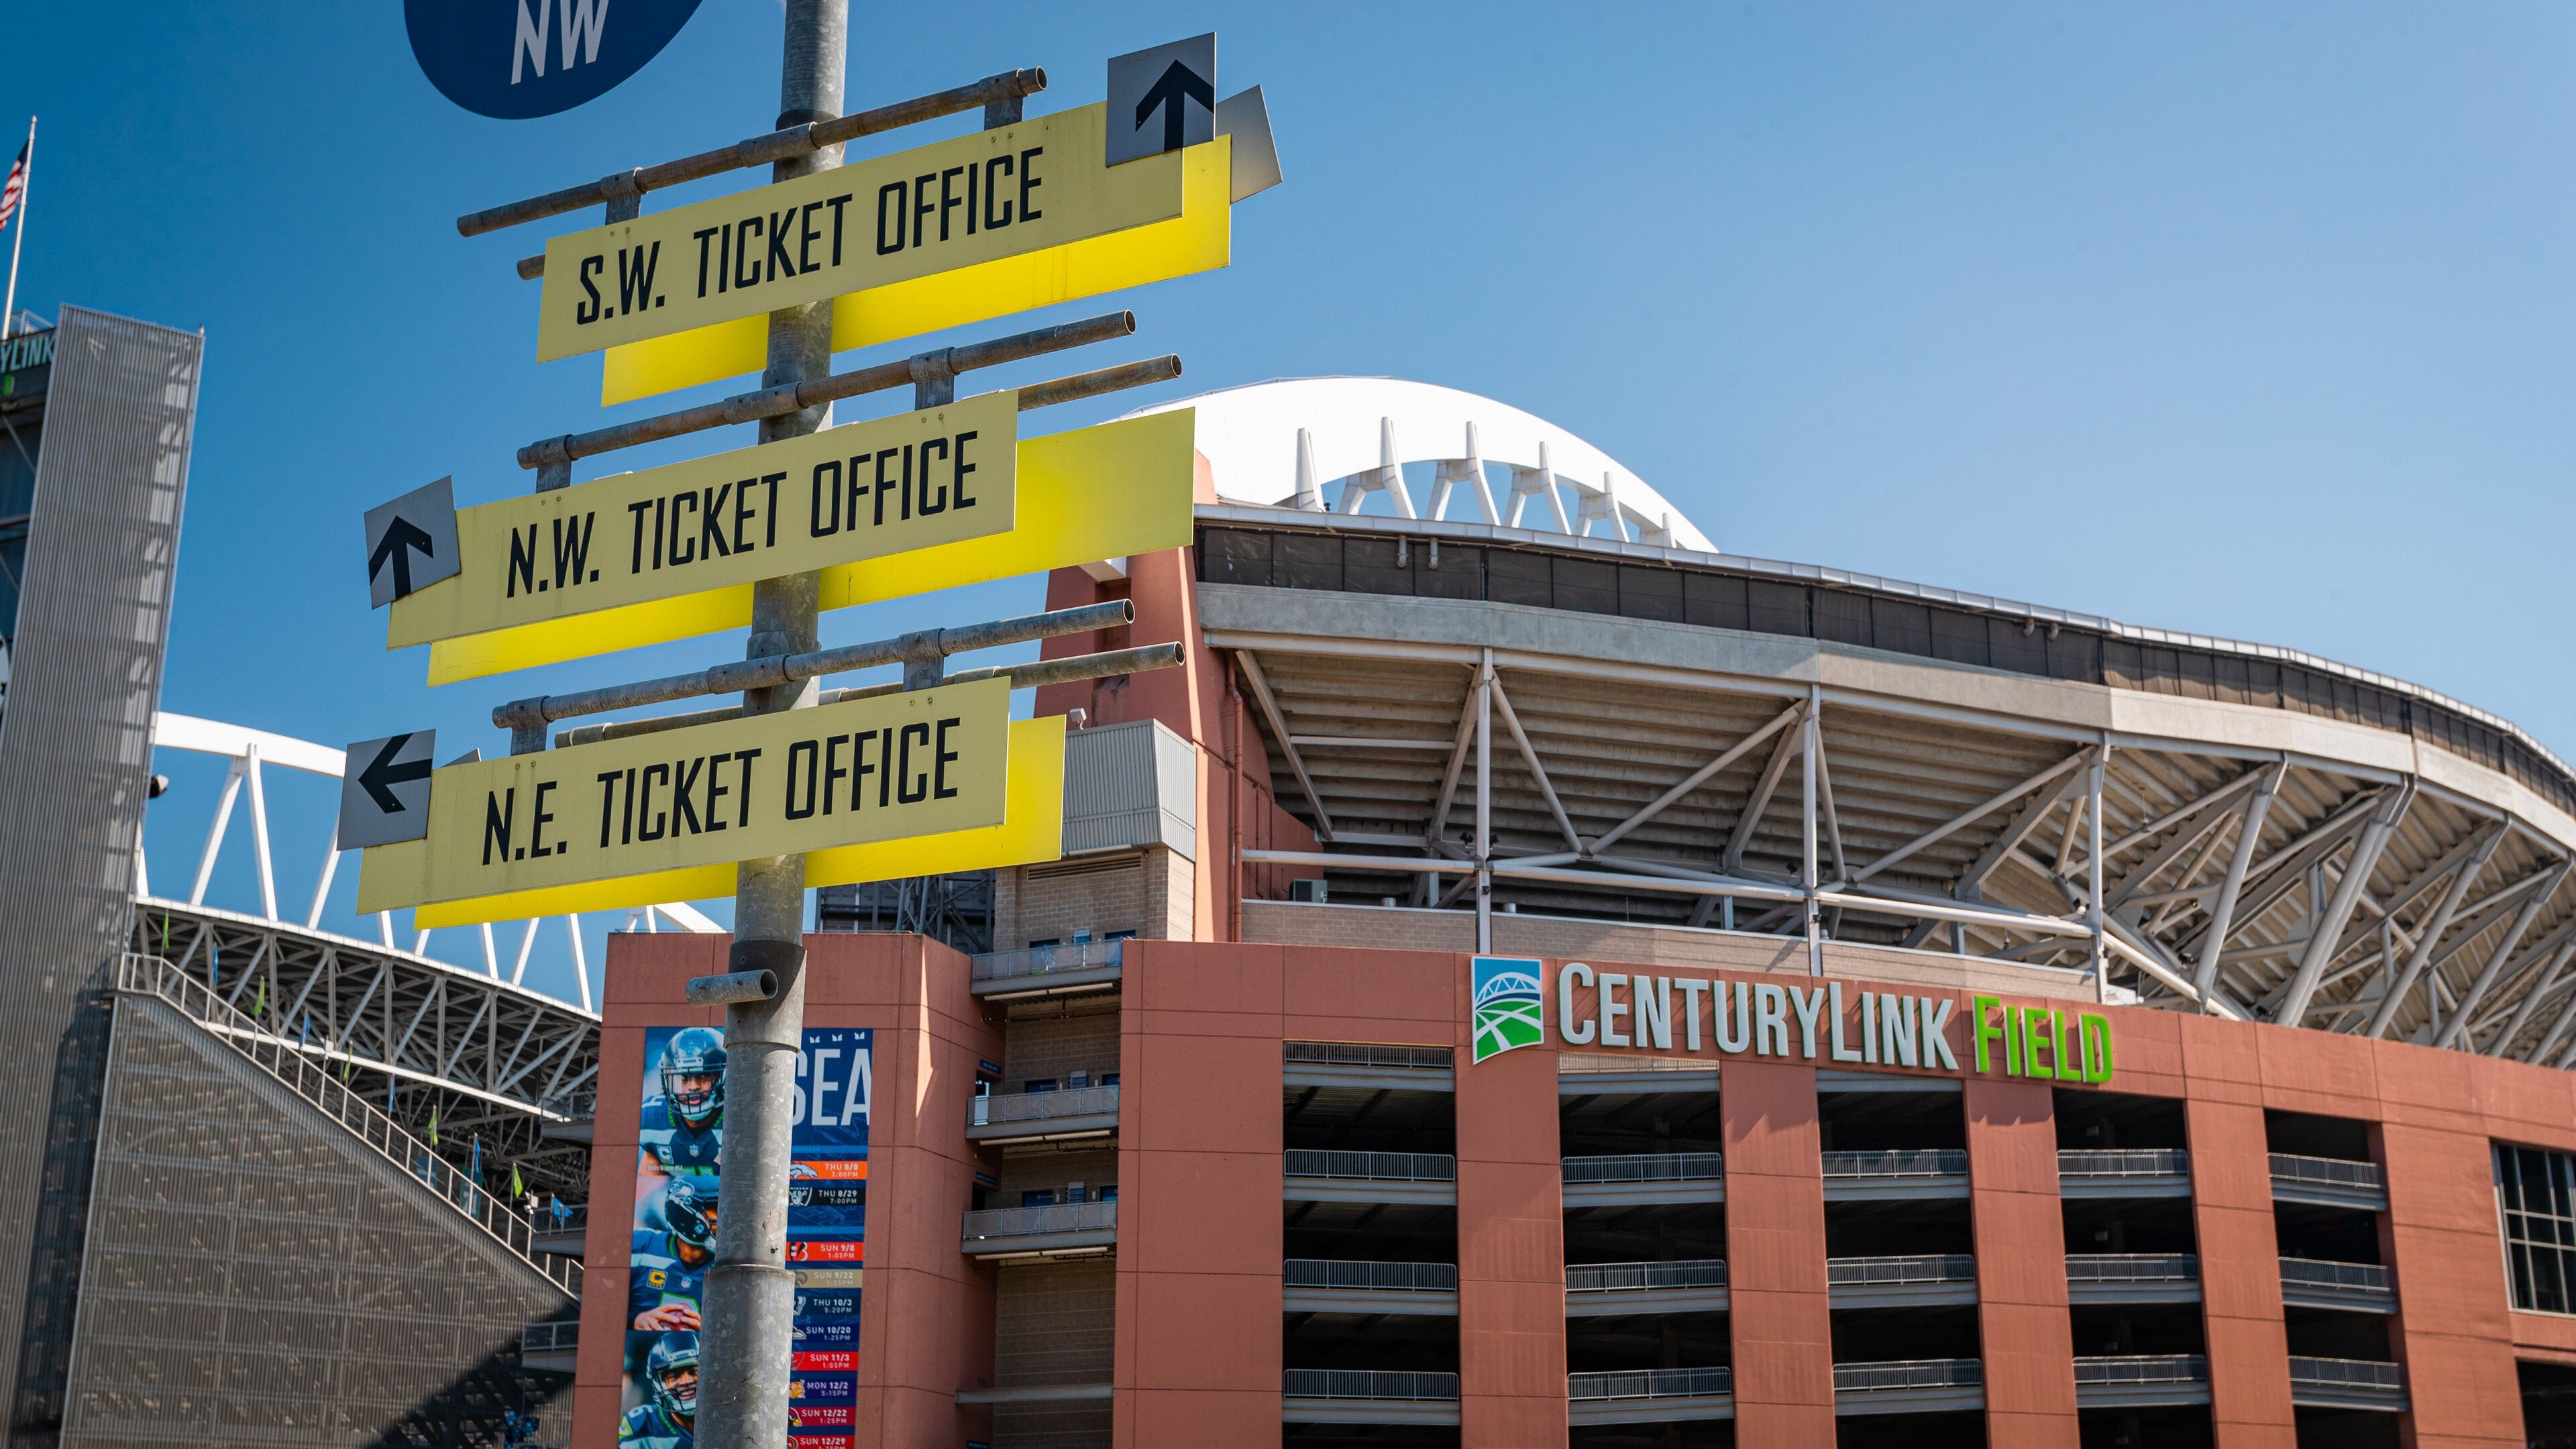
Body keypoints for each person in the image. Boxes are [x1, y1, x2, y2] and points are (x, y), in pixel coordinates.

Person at [637, 1027, 724, 1189]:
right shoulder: (651, 1118)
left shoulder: (740, 1120)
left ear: (723, 1077)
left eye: (703, 1076)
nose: (693, 1086)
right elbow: (646, 1191)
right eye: (683, 1078)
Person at [629, 1175, 716, 1332]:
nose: (727, 1219)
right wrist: (634, 1320)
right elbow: (598, 1308)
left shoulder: (734, 1265)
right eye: (716, 1210)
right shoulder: (639, 1247)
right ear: (685, 1213)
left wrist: (714, 1335)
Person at [617, 1332, 698, 1446]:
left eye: (694, 1372)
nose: (686, 1381)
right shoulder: (641, 1425)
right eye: (675, 1376)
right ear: (659, 1383)